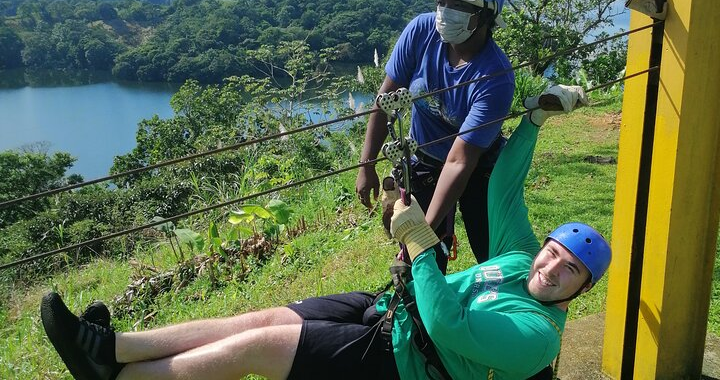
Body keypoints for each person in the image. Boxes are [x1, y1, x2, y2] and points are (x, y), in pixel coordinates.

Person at [40, 85, 611, 380]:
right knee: (261, 319)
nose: (551, 269)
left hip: (405, 364)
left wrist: (418, 239)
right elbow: (503, 188)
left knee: (258, 350)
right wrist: (534, 118)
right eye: (554, 254)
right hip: (392, 313)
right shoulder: (518, 258)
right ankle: (112, 351)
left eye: (569, 272)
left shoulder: (539, 336)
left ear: (580, 291)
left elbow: (446, 322)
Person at [356, 0, 515, 273]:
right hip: (425, 162)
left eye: (458, 4)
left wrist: (424, 231)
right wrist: (366, 165)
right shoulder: (421, 32)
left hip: (477, 170)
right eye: (441, 0)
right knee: (426, 266)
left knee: (492, 257)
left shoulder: (494, 76)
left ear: (486, 15)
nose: (444, 12)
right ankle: (426, 321)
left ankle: (498, 316)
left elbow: (460, 160)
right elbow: (385, 99)